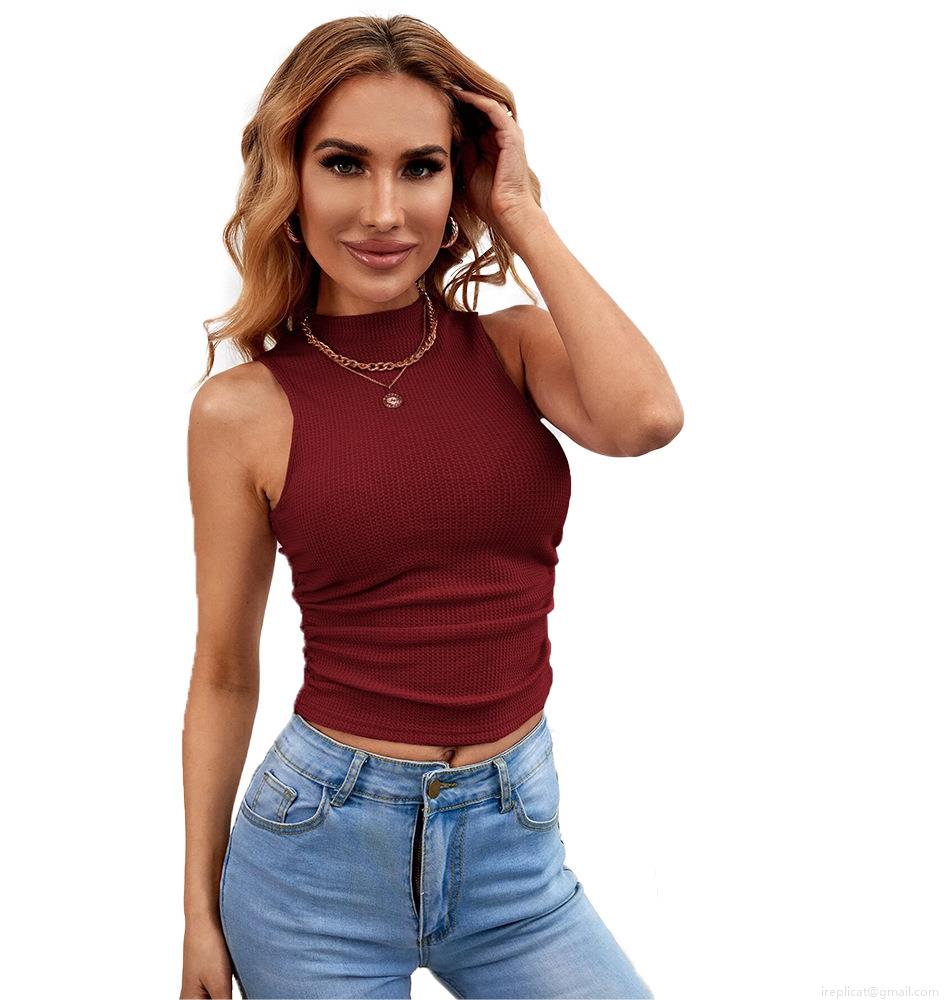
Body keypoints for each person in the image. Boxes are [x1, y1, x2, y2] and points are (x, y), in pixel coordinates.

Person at [182, 15, 681, 1000]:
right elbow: (225, 669)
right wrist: (198, 910)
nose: (383, 210)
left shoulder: (514, 349)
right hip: (317, 858)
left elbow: (647, 418)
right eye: (343, 164)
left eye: (420, 167)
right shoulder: (242, 411)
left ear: (461, 183)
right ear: (290, 181)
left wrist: (523, 212)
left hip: (514, 850)